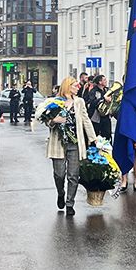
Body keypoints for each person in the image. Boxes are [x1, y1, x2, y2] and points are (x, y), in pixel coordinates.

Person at [47, 77, 96, 215]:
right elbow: (46, 120)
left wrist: (93, 139)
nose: (78, 87)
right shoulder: (55, 102)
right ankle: (61, 193)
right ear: (68, 86)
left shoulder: (79, 102)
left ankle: (70, 204)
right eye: (75, 85)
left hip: (75, 143)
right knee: (59, 174)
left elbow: (86, 120)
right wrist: (54, 120)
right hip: (58, 143)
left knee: (73, 175)